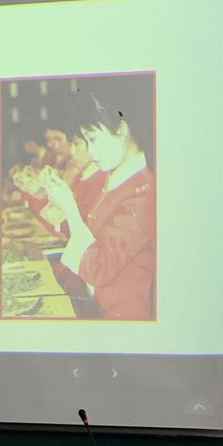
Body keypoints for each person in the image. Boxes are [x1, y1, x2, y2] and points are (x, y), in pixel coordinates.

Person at [37, 90, 155, 320]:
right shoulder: (116, 178)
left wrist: (69, 207)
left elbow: (99, 268)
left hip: (123, 318)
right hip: (98, 304)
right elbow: (91, 234)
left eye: (93, 139)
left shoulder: (144, 192)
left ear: (121, 130)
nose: (91, 152)